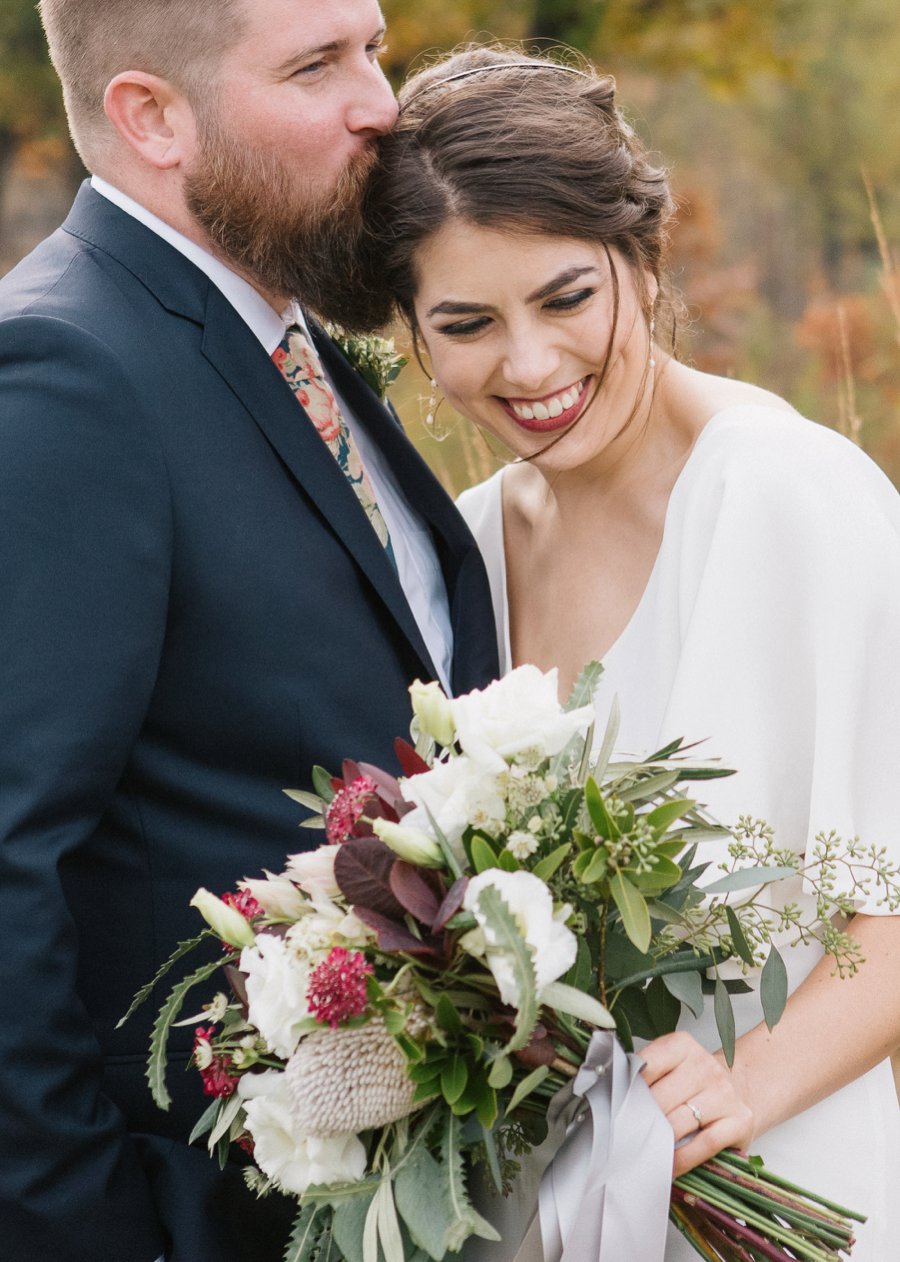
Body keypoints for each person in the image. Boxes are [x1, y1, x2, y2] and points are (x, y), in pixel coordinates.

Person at [352, 45, 900, 1261]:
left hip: (774, 1189)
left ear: (643, 264)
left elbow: (892, 908)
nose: (531, 366)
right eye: (467, 323)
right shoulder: (470, 542)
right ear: (417, 337)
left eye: (564, 297)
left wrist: (745, 1085)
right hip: (539, 1207)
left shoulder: (790, 496)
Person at [0, 5, 499, 1261]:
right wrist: (100, 1233)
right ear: (151, 117)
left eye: (372, 47)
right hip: (197, 1209)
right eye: (316, 65)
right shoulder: (64, 368)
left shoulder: (281, 329)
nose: (381, 100)